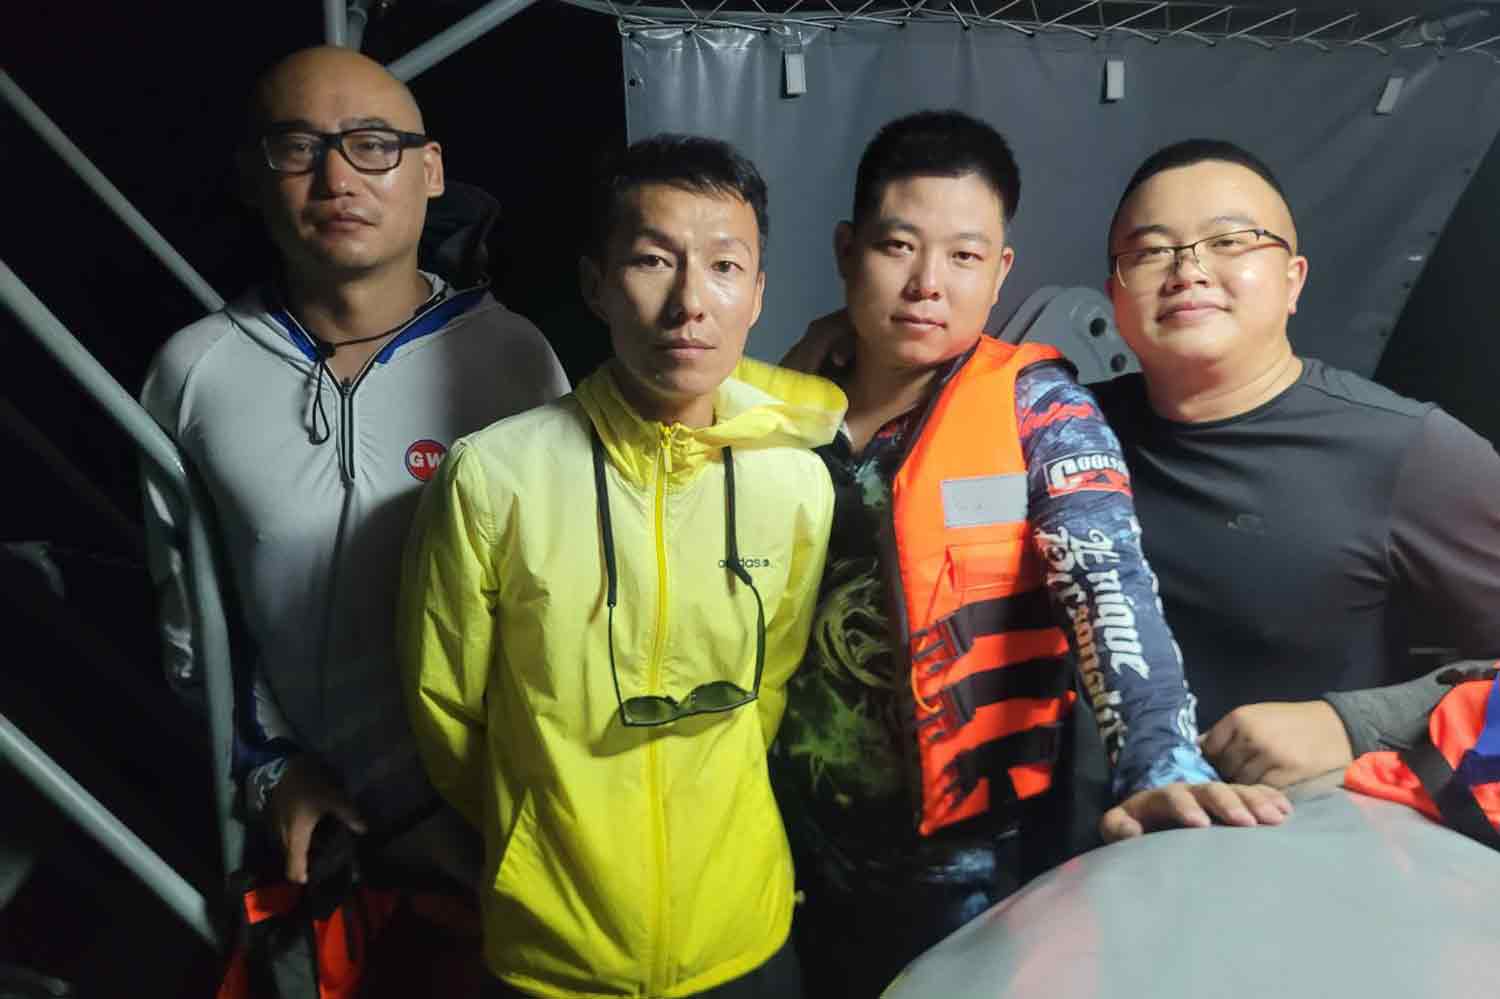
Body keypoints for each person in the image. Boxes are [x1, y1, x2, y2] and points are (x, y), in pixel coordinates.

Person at [770, 111, 1287, 998]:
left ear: (1000, 268)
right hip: (778, 851)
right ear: (849, 250)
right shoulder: (777, 413)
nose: (929, 283)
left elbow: (1107, 581)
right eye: (900, 247)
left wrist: (1158, 758)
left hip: (971, 874)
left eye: (965, 256)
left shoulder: (1040, 410)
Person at [398, 134, 845, 998]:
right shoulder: (494, 476)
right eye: (652, 260)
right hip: (554, 952)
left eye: (723, 266)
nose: (689, 302)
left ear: (755, 294)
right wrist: (542, 834)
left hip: (743, 933)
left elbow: (772, 687)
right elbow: (446, 712)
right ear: (597, 284)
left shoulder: (794, 478)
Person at [141, 46, 569, 886]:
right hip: (324, 842)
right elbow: (195, 624)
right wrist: (269, 770)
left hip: (503, 823)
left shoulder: (515, 359)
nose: (338, 177)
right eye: (297, 147)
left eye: (374, 144)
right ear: (254, 177)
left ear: (431, 171)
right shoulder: (193, 374)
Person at [1095, 139, 1500, 788]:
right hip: (1066, 868)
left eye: (1230, 241)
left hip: (1295, 857)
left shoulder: (1409, 452)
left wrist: (1353, 723)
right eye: (1150, 251)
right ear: (1114, 294)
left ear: (1293, 281)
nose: (1188, 269)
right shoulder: (1063, 432)